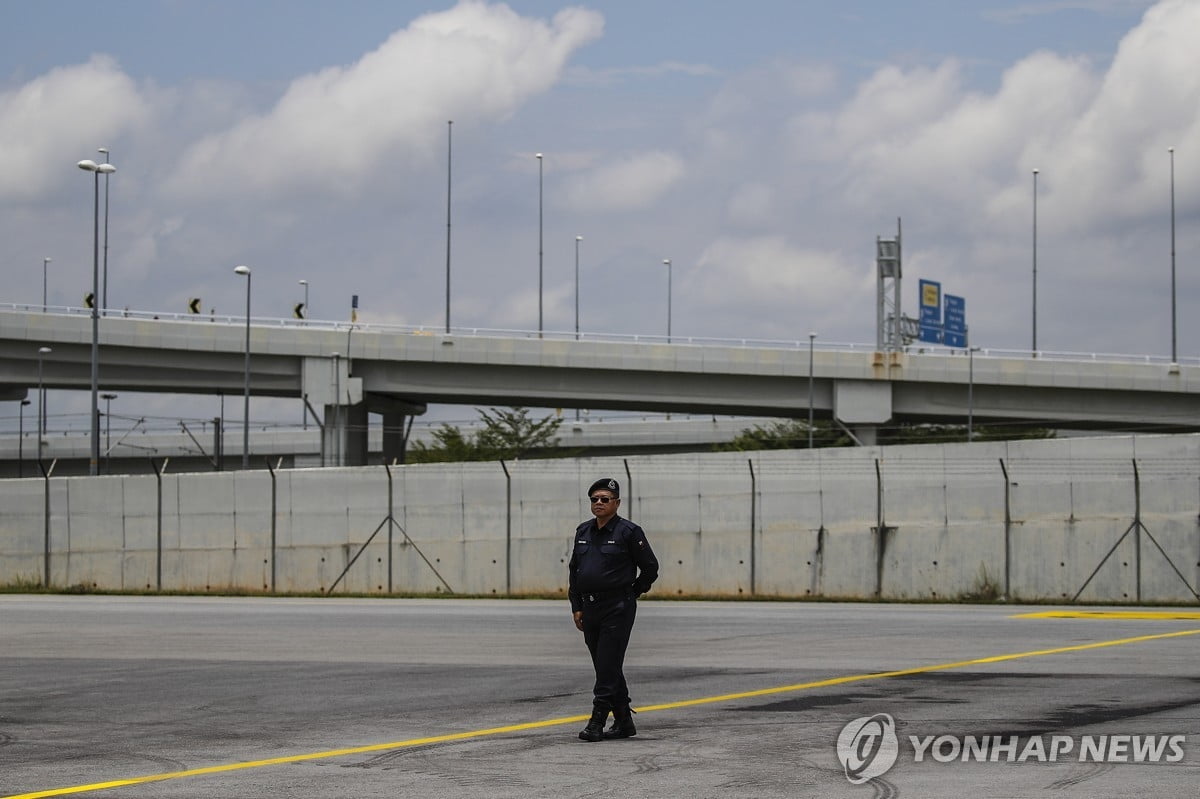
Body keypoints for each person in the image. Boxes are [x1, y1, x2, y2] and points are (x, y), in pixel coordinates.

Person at [568, 477, 659, 742]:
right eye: (594, 499)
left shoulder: (628, 532)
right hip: (590, 607)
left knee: (607, 663)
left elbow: (651, 568)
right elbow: (575, 571)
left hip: (617, 607)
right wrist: (576, 606)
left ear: (616, 503)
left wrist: (633, 591)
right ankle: (623, 721)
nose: (598, 503)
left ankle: (597, 721)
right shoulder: (583, 531)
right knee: (605, 665)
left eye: (604, 499)